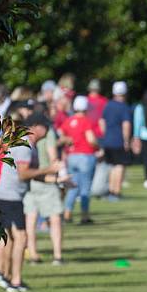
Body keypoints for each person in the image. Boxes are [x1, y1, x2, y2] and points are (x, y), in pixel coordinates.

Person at [0, 113, 62, 292]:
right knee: (20, 238)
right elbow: (23, 174)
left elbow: (30, 176)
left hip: (8, 196)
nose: (48, 131)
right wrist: (50, 168)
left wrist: (55, 180)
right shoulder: (25, 146)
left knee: (12, 238)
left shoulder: (25, 143)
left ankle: (8, 277)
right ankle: (14, 280)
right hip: (10, 197)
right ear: (37, 127)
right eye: (46, 127)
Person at [23, 112, 66, 265]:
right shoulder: (49, 135)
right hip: (45, 180)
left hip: (29, 181)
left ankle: (33, 254)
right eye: (45, 126)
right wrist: (59, 174)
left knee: (31, 219)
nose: (47, 128)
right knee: (54, 218)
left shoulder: (23, 137)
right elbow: (53, 157)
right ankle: (58, 256)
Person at [62, 95, 100, 224]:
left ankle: (67, 213)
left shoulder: (69, 120)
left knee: (73, 186)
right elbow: (91, 139)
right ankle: (84, 216)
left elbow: (62, 134)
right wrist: (98, 146)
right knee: (85, 188)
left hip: (72, 156)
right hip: (86, 156)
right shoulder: (86, 121)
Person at [101, 81, 133, 200]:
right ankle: (116, 192)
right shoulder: (124, 107)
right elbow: (126, 125)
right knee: (119, 166)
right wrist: (126, 140)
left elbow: (102, 121)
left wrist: (106, 135)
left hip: (107, 140)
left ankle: (111, 191)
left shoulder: (108, 105)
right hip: (118, 141)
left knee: (112, 166)